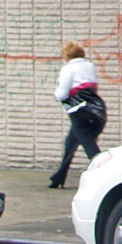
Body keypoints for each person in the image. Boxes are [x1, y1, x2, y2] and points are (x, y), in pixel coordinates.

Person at [48, 40, 107, 188]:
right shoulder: (90, 66)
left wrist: (56, 95)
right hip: (96, 110)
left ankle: (105, 173)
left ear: (66, 55)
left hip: (78, 112)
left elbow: (62, 93)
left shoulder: (68, 69)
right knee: (70, 143)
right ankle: (59, 177)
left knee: (90, 147)